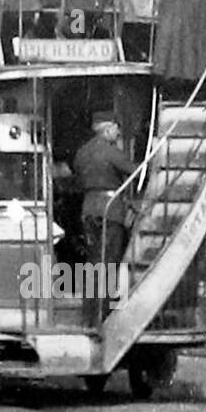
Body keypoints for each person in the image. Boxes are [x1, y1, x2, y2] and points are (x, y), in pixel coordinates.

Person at [73, 113, 137, 326]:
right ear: (109, 129)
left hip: (88, 209)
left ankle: (89, 314)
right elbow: (135, 170)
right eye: (116, 129)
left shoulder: (82, 152)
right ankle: (103, 316)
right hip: (110, 211)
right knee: (109, 263)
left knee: (94, 262)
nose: (118, 133)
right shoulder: (110, 152)